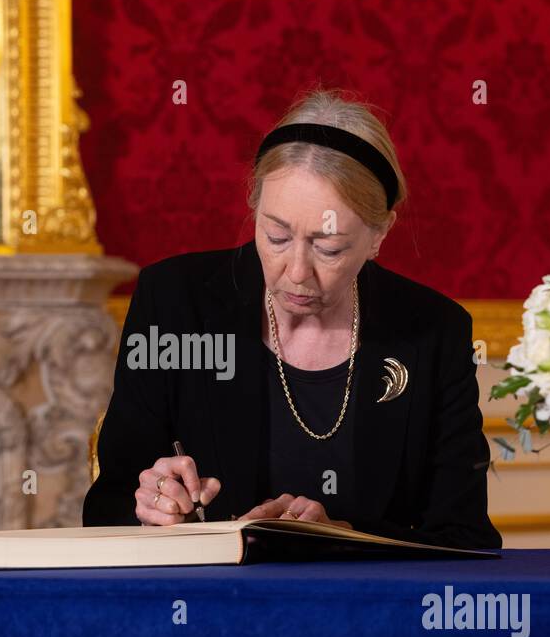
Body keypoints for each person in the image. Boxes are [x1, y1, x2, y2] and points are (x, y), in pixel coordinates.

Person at [83, 88, 501, 550]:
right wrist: (151, 507)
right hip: (206, 608)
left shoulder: (434, 332)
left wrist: (344, 539)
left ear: (380, 234)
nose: (296, 273)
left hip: (369, 612)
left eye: (329, 247)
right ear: (254, 205)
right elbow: (107, 508)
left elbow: (466, 539)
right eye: (277, 235)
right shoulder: (176, 304)